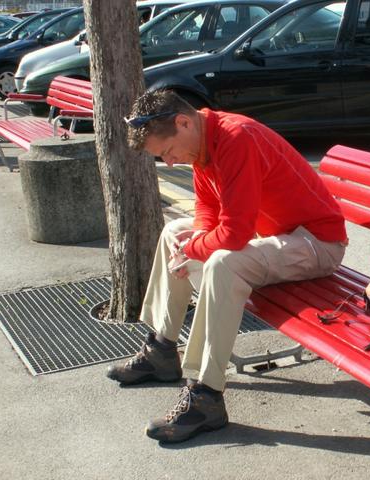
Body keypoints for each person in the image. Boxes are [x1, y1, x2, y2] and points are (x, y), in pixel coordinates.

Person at [107, 90, 348, 443]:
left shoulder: (236, 138)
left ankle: (205, 395)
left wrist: (196, 248)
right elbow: (208, 211)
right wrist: (191, 246)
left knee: (223, 262)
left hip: (317, 245)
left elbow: (234, 235)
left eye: (168, 152)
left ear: (183, 122)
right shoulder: (204, 144)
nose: (171, 162)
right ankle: (161, 349)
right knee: (174, 231)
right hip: (278, 240)